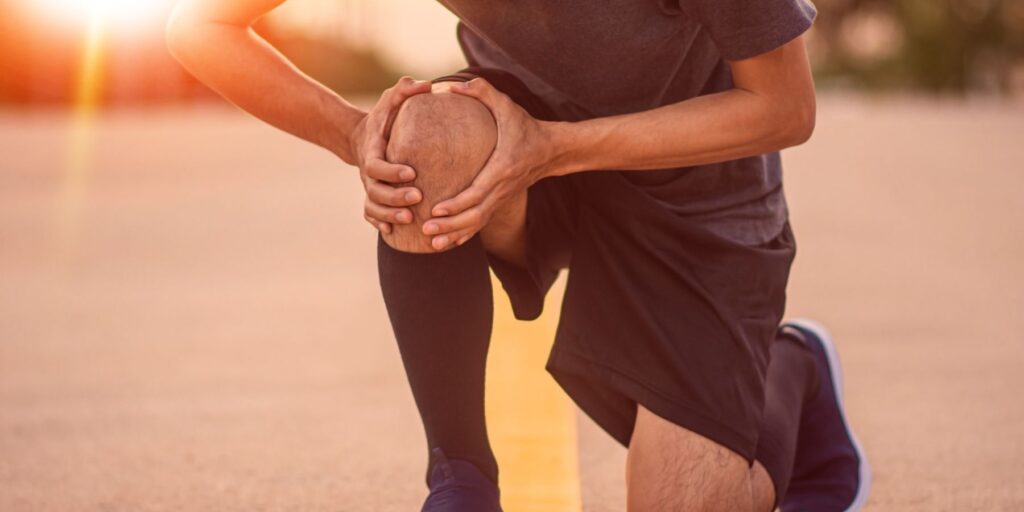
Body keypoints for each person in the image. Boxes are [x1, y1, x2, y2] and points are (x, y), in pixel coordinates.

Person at [166, 1, 871, 510]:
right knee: (426, 133)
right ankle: (462, 478)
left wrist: (558, 148)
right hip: (519, 137)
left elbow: (784, 109)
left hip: (697, 191)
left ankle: (795, 369)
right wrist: (355, 137)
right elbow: (198, 26)